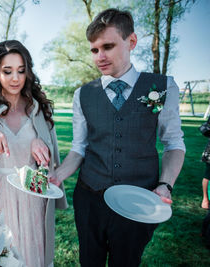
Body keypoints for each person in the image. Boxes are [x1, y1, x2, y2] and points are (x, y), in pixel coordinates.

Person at [49, 8, 185, 267]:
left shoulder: (163, 86)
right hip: (89, 197)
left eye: (108, 46)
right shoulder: (82, 94)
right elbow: (80, 147)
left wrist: (165, 184)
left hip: (139, 199)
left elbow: (174, 143)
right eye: (94, 50)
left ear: (131, 42)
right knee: (89, 261)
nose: (99, 56)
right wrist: (58, 174)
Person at [0, 40, 68, 267]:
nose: (15, 78)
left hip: (33, 196)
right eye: (7, 71)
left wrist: (41, 144)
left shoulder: (40, 108)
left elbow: (49, 163)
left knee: (33, 252)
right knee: (3, 252)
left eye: (21, 71)